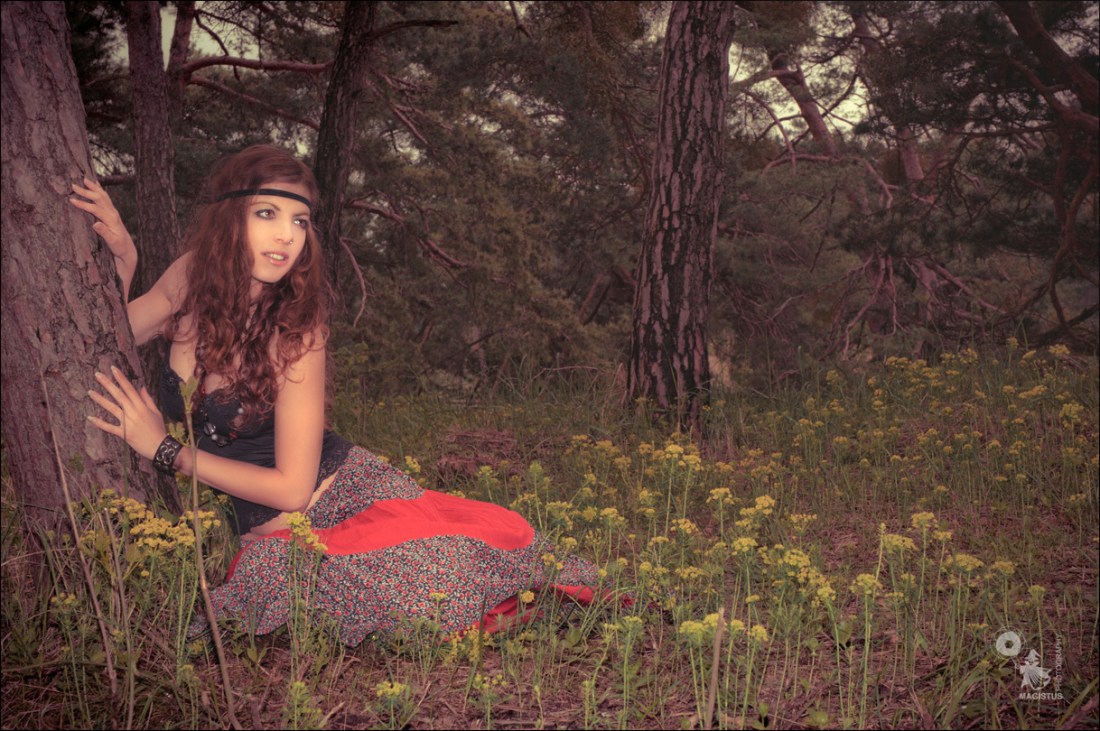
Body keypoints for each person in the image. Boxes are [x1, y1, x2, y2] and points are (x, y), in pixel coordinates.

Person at [74, 144, 599, 645]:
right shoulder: (188, 278)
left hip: (344, 500)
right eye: (266, 214)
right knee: (294, 587)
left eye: (298, 222)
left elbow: (291, 492)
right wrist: (124, 257)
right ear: (227, 218)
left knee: (438, 591)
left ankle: (523, 594)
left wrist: (165, 451)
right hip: (278, 543)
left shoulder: (299, 333)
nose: (285, 237)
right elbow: (107, 336)